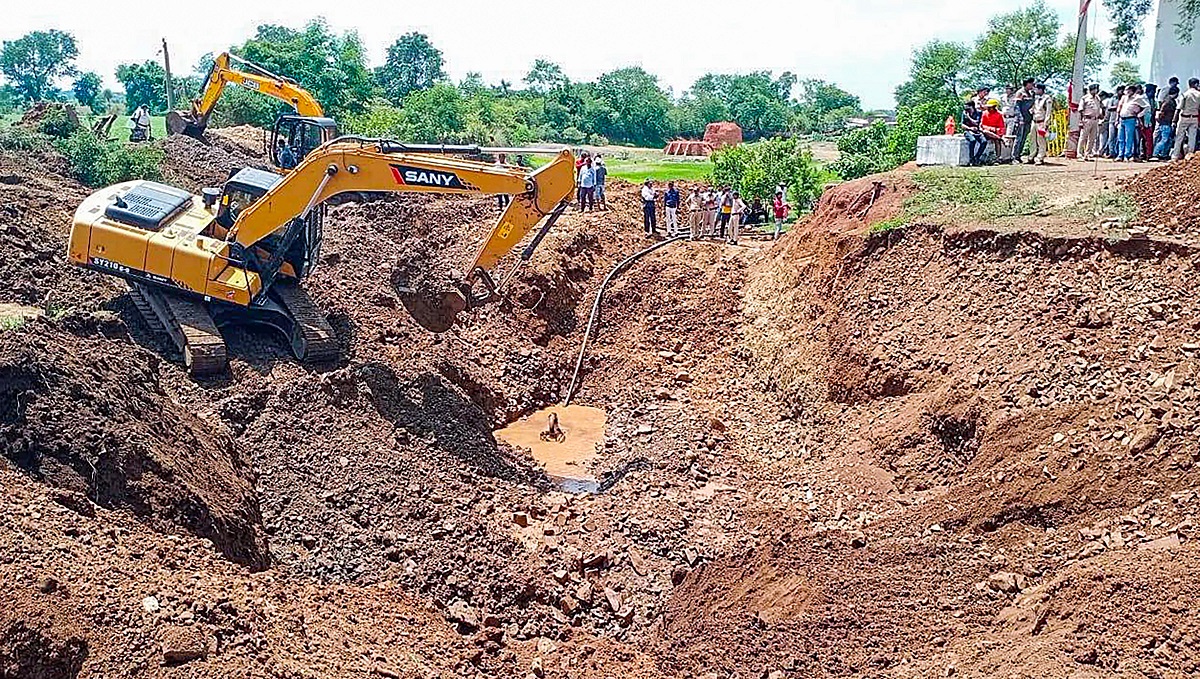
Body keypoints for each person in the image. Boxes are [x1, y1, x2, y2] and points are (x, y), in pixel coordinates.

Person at [1118, 84, 1149, 161]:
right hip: (1122, 119)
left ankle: (1127, 155)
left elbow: (1147, 106)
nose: (1126, 92)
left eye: (1128, 90)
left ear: (1132, 91)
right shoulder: (1124, 98)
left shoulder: (1137, 98)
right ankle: (1120, 155)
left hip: (1130, 119)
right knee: (1121, 138)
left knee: (1129, 138)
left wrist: (1139, 115)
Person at [1013, 78, 1036, 162]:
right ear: (1027, 84)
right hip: (1021, 119)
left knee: (1024, 138)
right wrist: (1020, 118)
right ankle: (1014, 156)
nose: (1033, 85)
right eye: (1031, 84)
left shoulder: (1031, 93)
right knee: (1019, 138)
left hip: (1028, 119)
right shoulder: (1020, 93)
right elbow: (1017, 107)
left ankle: (1019, 155)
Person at [1154, 86, 1179, 159]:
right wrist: (1160, 119)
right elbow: (1162, 112)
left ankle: (1163, 154)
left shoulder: (1169, 100)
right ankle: (1155, 153)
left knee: (1168, 140)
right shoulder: (1168, 101)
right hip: (1165, 123)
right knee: (1164, 139)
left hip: (1167, 122)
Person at [1079, 84, 1103, 160]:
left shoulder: (1098, 98)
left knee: (1092, 138)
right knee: (1083, 137)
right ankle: (1079, 153)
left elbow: (1101, 107)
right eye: (1095, 89)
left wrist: (1101, 114)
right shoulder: (1084, 98)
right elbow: (1080, 110)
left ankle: (1087, 154)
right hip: (1087, 119)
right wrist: (1080, 121)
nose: (1097, 91)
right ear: (1091, 90)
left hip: (1095, 119)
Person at [961, 100, 986, 166]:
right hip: (968, 131)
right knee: (972, 140)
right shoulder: (964, 113)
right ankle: (971, 159)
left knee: (984, 141)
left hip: (977, 131)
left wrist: (968, 117)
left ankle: (977, 157)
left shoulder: (978, 113)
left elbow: (976, 122)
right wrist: (969, 128)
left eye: (968, 107)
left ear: (972, 107)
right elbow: (962, 125)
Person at [1000, 85, 1020, 162]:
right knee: (1002, 135)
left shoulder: (1015, 97)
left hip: (1012, 117)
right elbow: (1002, 106)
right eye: (1007, 89)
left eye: (1009, 89)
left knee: (1009, 135)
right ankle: (1002, 155)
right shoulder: (1002, 97)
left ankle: (1010, 155)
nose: (1008, 90)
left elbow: (1017, 108)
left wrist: (1018, 119)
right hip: (1003, 117)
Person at [1107, 85, 1126, 157]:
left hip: (1121, 120)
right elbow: (1109, 108)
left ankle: (1118, 152)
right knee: (1111, 137)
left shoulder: (1125, 99)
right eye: (1121, 90)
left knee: (1119, 138)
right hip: (1112, 120)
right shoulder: (1113, 99)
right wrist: (1118, 107)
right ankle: (1111, 152)